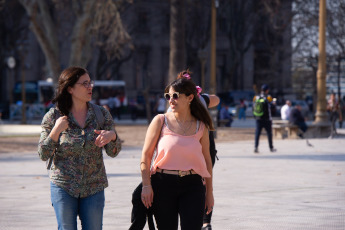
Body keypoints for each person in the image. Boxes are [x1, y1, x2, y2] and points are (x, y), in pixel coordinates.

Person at [129, 72, 219, 230]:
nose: (171, 100)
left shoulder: (202, 125)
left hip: (193, 186)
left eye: (175, 96)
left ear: (190, 98)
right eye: (168, 96)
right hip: (163, 184)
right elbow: (146, 155)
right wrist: (146, 185)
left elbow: (207, 160)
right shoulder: (160, 120)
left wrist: (209, 192)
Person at [38, 66, 122, 230]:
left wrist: (112, 137)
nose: (90, 87)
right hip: (63, 186)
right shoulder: (53, 116)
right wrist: (56, 130)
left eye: (90, 83)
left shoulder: (101, 115)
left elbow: (114, 152)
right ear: (70, 88)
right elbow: (43, 153)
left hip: (94, 186)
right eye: (84, 84)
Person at [253, 84, 276, 153]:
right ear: (267, 90)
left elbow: (253, 106)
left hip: (258, 118)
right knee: (269, 133)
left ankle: (256, 147)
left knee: (257, 133)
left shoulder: (256, 97)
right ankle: (271, 148)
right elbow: (272, 105)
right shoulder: (268, 97)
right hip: (267, 119)